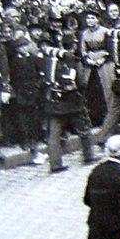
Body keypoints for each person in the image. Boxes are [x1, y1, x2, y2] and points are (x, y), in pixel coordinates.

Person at [43, 34, 99, 171]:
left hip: (54, 101)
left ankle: (55, 164)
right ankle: (88, 156)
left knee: (54, 135)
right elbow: (81, 82)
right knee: (84, 129)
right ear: (74, 46)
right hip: (73, 102)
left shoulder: (51, 58)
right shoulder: (74, 61)